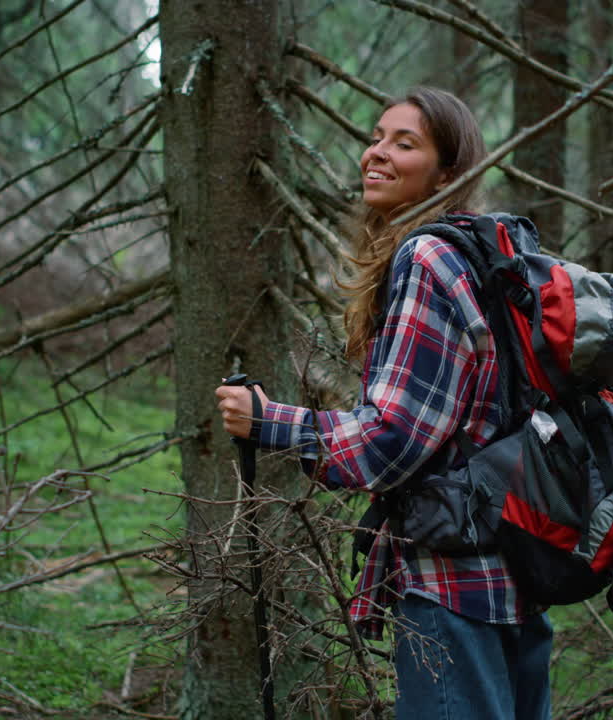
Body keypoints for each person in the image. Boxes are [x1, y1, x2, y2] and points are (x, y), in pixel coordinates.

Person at [215, 86, 552, 720]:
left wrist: (271, 424)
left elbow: (393, 441)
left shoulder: (428, 255)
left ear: (449, 172)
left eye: (405, 143)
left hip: (454, 590)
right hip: (516, 576)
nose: (377, 153)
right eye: (376, 137)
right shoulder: (489, 257)